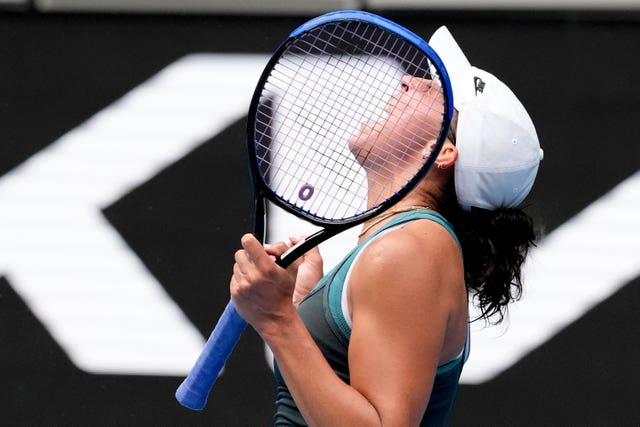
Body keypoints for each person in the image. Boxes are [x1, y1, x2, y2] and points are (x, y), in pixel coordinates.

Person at [230, 26, 543, 426]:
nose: (409, 81)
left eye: (434, 89)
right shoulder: (404, 245)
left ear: (443, 152)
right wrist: (298, 308)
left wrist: (278, 320)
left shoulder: (411, 249)